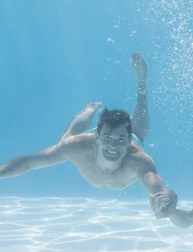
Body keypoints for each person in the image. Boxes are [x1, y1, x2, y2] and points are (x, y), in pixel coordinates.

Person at [0, 53, 177, 218]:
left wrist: (168, 199)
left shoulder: (139, 160)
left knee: (139, 131)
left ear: (128, 141)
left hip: (123, 137)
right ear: (96, 137)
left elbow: (159, 187)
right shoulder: (76, 147)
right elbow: (30, 162)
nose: (113, 146)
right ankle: (90, 110)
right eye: (107, 138)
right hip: (85, 142)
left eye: (121, 140)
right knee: (68, 138)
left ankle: (142, 90)